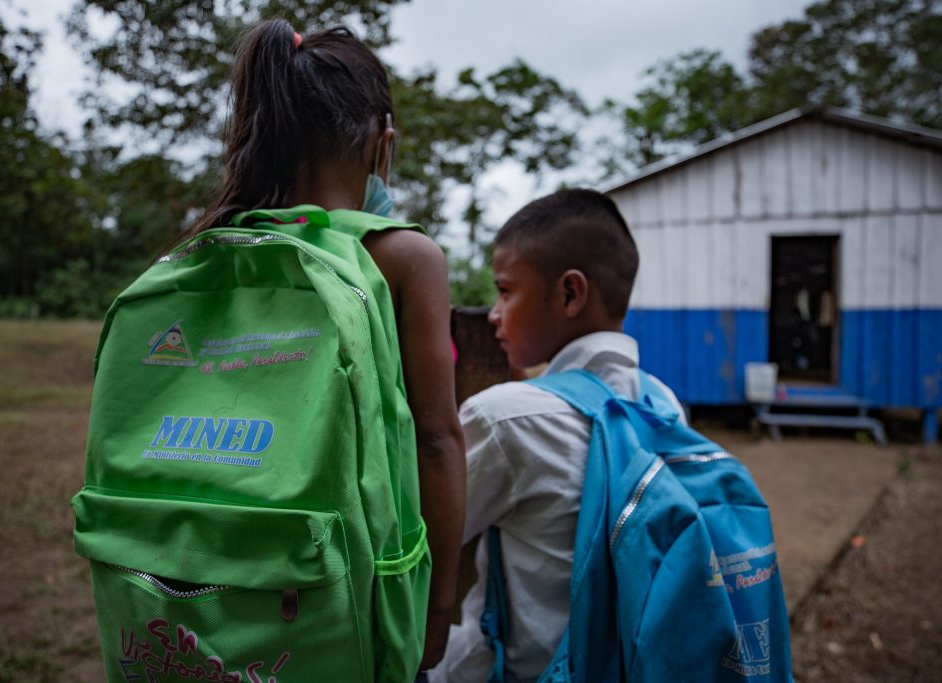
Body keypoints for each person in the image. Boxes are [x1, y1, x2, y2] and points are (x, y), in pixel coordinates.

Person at [184, 20, 466, 673]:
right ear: (381, 144)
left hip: (209, 588)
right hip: (340, 598)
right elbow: (437, 440)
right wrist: (440, 606)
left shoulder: (210, 249)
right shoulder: (403, 257)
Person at [428, 188, 685, 682]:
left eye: (505, 291)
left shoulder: (506, 419)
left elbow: (413, 533)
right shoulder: (663, 404)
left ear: (570, 293)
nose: (495, 314)